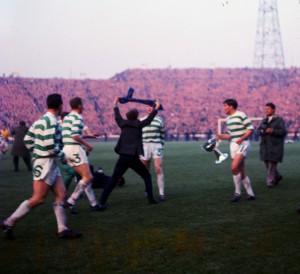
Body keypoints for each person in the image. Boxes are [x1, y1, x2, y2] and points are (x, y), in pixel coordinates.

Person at [1, 93, 82, 240]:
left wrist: (37, 152)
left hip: (48, 162)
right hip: (46, 162)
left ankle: (62, 229)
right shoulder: (52, 121)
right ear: (60, 106)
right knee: (38, 198)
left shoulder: (40, 120)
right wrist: (62, 157)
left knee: (61, 194)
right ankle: (9, 222)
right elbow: (51, 146)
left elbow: (28, 140)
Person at [98, 97, 161, 208]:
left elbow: (117, 115)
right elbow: (149, 120)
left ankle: (101, 202)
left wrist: (115, 103)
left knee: (113, 179)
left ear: (127, 116)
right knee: (146, 176)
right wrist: (156, 108)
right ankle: (150, 199)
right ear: (137, 117)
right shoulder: (139, 124)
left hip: (122, 157)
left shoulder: (122, 123)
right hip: (133, 157)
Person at [62, 97, 101, 212]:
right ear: (79, 105)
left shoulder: (67, 117)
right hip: (75, 149)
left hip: (66, 149)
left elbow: (72, 134)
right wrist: (87, 145)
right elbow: (74, 135)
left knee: (85, 178)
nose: (83, 107)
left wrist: (89, 135)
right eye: (82, 104)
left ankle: (93, 204)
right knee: (88, 177)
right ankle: (71, 200)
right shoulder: (78, 117)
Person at [216, 99, 255, 202]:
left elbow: (250, 129)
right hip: (233, 145)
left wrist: (241, 138)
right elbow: (230, 135)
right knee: (240, 170)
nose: (223, 108)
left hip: (243, 144)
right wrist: (221, 136)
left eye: (225, 105)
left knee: (233, 167)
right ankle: (250, 193)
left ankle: (237, 193)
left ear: (231, 106)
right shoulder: (228, 119)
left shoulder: (241, 114)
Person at [257, 103, 287, 188]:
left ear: (273, 109)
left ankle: (270, 182)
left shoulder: (279, 120)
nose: (266, 110)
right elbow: (258, 131)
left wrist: (272, 130)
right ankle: (277, 176)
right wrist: (262, 131)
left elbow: (283, 132)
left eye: (268, 109)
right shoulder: (264, 120)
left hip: (275, 146)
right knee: (267, 163)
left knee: (271, 164)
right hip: (265, 146)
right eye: (266, 109)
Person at [140, 105, 166, 201]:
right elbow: (139, 135)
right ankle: (147, 190)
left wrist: (162, 147)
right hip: (145, 146)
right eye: (147, 106)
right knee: (145, 171)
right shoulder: (141, 120)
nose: (149, 108)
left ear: (155, 108)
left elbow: (162, 135)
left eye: (151, 106)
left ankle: (161, 193)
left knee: (158, 168)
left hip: (157, 145)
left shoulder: (160, 120)